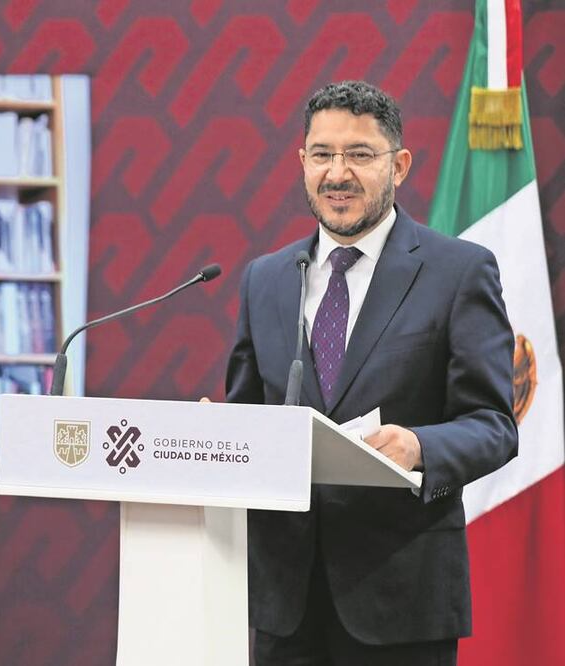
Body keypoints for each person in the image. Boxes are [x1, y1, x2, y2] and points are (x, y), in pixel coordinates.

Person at [225, 81, 517, 665]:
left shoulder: (458, 271)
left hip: (401, 598)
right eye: (323, 154)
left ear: (399, 165)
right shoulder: (265, 277)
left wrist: (418, 446)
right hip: (285, 601)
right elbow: (248, 417)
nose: (338, 173)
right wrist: (222, 438)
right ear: (302, 163)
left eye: (359, 155)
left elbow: (494, 424)